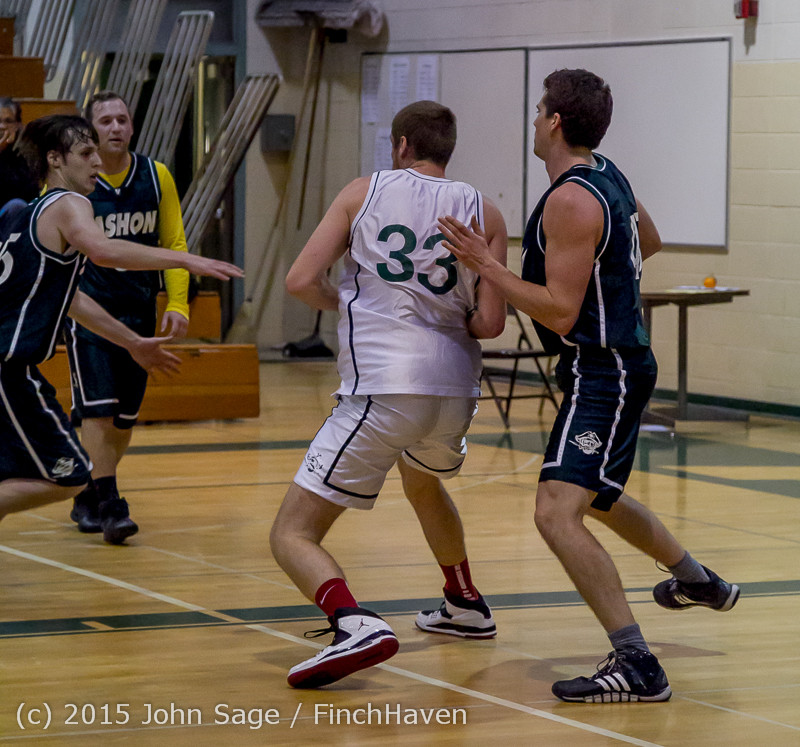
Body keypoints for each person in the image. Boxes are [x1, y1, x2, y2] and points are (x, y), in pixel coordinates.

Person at [437, 69, 739, 704]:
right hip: (606, 365)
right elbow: (645, 242)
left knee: (555, 512)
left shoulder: (571, 199)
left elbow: (559, 310)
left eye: (539, 107)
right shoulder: (608, 173)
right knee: (596, 498)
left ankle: (636, 663)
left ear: (553, 122)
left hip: (606, 371)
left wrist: (488, 266)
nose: (534, 116)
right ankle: (696, 580)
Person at [269, 100, 508, 689]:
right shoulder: (487, 211)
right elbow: (489, 325)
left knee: (291, 533)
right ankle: (464, 602)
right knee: (421, 478)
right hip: (455, 389)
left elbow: (301, 280)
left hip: (386, 384)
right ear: (448, 150)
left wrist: (350, 301)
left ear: (400, 145)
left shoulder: (362, 192)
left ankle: (352, 623)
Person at [0, 114, 242, 527]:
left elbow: (71, 299)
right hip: (10, 368)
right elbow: (104, 251)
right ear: (56, 160)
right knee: (72, 475)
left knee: (17, 475)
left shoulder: (28, 213)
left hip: (10, 365)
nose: (97, 161)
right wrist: (183, 257)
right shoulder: (69, 203)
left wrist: (131, 341)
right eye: (86, 152)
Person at [65, 91, 193, 544]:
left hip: (139, 314)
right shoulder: (72, 183)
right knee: (97, 414)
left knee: (123, 422)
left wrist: (177, 304)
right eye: (106, 120)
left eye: (123, 119)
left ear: (132, 127)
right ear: (91, 131)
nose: (116, 127)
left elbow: (174, 244)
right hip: (90, 315)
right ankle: (113, 505)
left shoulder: (156, 177)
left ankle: (88, 493)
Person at [0, 97, 39, 224]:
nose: (2, 126)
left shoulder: (27, 153)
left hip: (16, 218)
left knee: (17, 206)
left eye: (8, 121)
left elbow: (29, 194)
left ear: (17, 125)